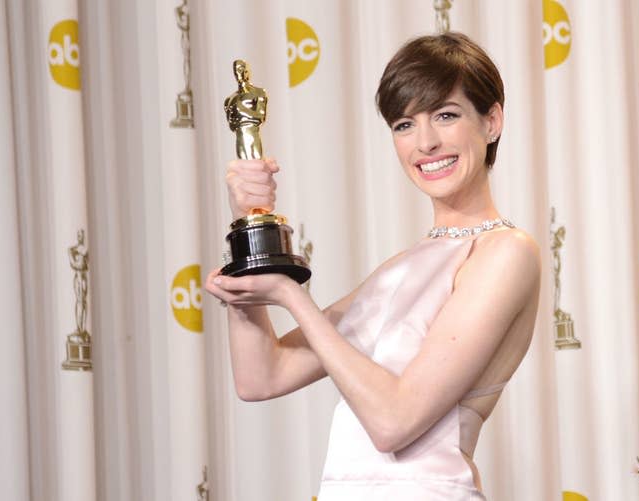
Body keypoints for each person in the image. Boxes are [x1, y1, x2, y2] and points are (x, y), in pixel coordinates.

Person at [206, 32, 540, 500]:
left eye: (446, 115)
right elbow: (262, 377)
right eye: (404, 125)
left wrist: (290, 295)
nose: (425, 142)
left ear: (491, 121)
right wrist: (249, 235)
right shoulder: (401, 269)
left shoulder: (506, 252)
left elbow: (393, 423)